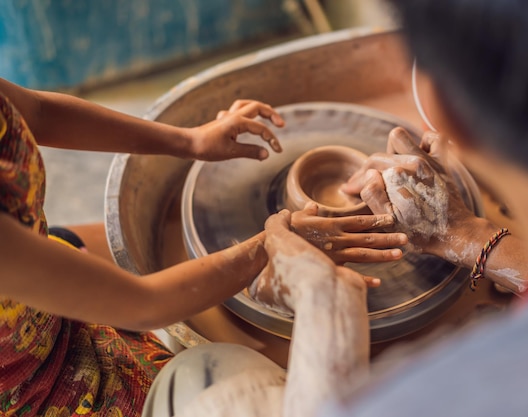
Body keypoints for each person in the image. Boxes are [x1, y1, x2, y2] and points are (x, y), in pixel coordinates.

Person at [146, 0, 528, 415]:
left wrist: (324, 303)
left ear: (442, 114)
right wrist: (468, 235)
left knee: (195, 378)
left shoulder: (424, 401)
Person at [0, 77, 407, 417]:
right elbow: (143, 305)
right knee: (212, 380)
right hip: (38, 386)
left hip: (40, 281)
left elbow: (35, 112)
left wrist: (189, 140)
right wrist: (271, 246)